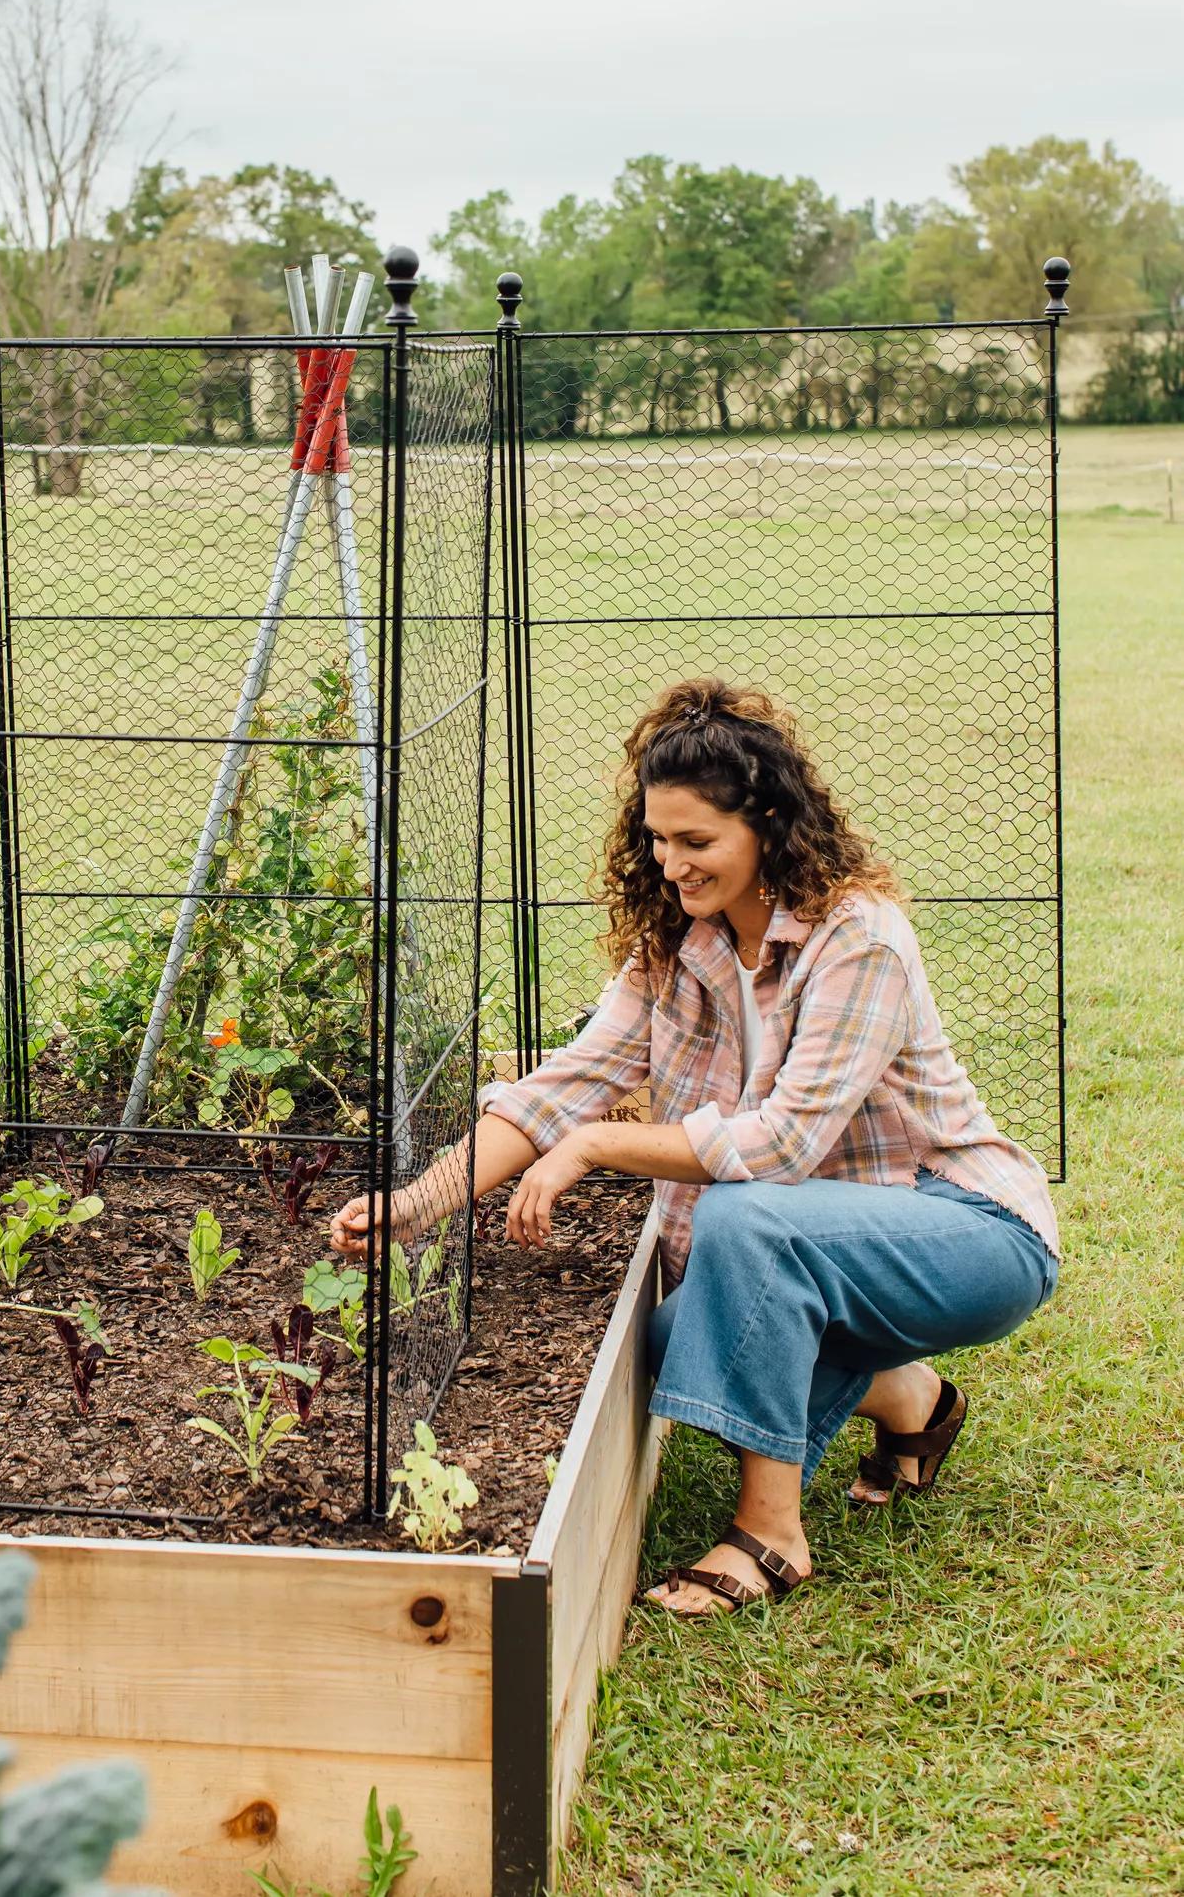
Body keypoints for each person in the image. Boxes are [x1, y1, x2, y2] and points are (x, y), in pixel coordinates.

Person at [329, 677, 1060, 1620]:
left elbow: (784, 1145)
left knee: (746, 1221)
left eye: (696, 841)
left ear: (769, 827)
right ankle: (910, 1399)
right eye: (657, 839)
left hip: (965, 1226)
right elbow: (563, 1087)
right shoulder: (678, 948)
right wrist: (418, 1203)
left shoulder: (858, 940)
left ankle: (769, 1536)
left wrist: (599, 1144)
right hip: (827, 1237)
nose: (671, 865)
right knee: (684, 1345)